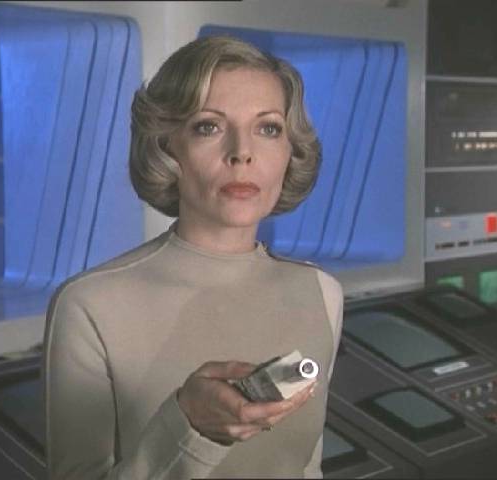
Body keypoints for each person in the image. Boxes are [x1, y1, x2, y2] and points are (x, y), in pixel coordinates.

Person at [44, 35, 343, 479]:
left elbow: (305, 469)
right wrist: (189, 427)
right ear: (167, 148)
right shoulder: (89, 305)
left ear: (290, 151)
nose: (242, 153)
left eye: (268, 128)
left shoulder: (321, 291)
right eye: (209, 126)